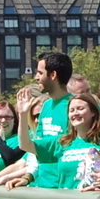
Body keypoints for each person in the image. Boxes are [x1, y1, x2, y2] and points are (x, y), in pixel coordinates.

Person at [28, 51, 73, 186]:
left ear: (53, 75)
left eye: (40, 73)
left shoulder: (74, 106)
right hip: (42, 183)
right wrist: (28, 177)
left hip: (63, 185)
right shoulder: (46, 106)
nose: (36, 77)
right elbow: (37, 144)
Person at [54, 92, 100, 189]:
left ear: (93, 112)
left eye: (80, 109)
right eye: (72, 110)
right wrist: (23, 114)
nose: (75, 113)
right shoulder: (64, 142)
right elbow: (26, 145)